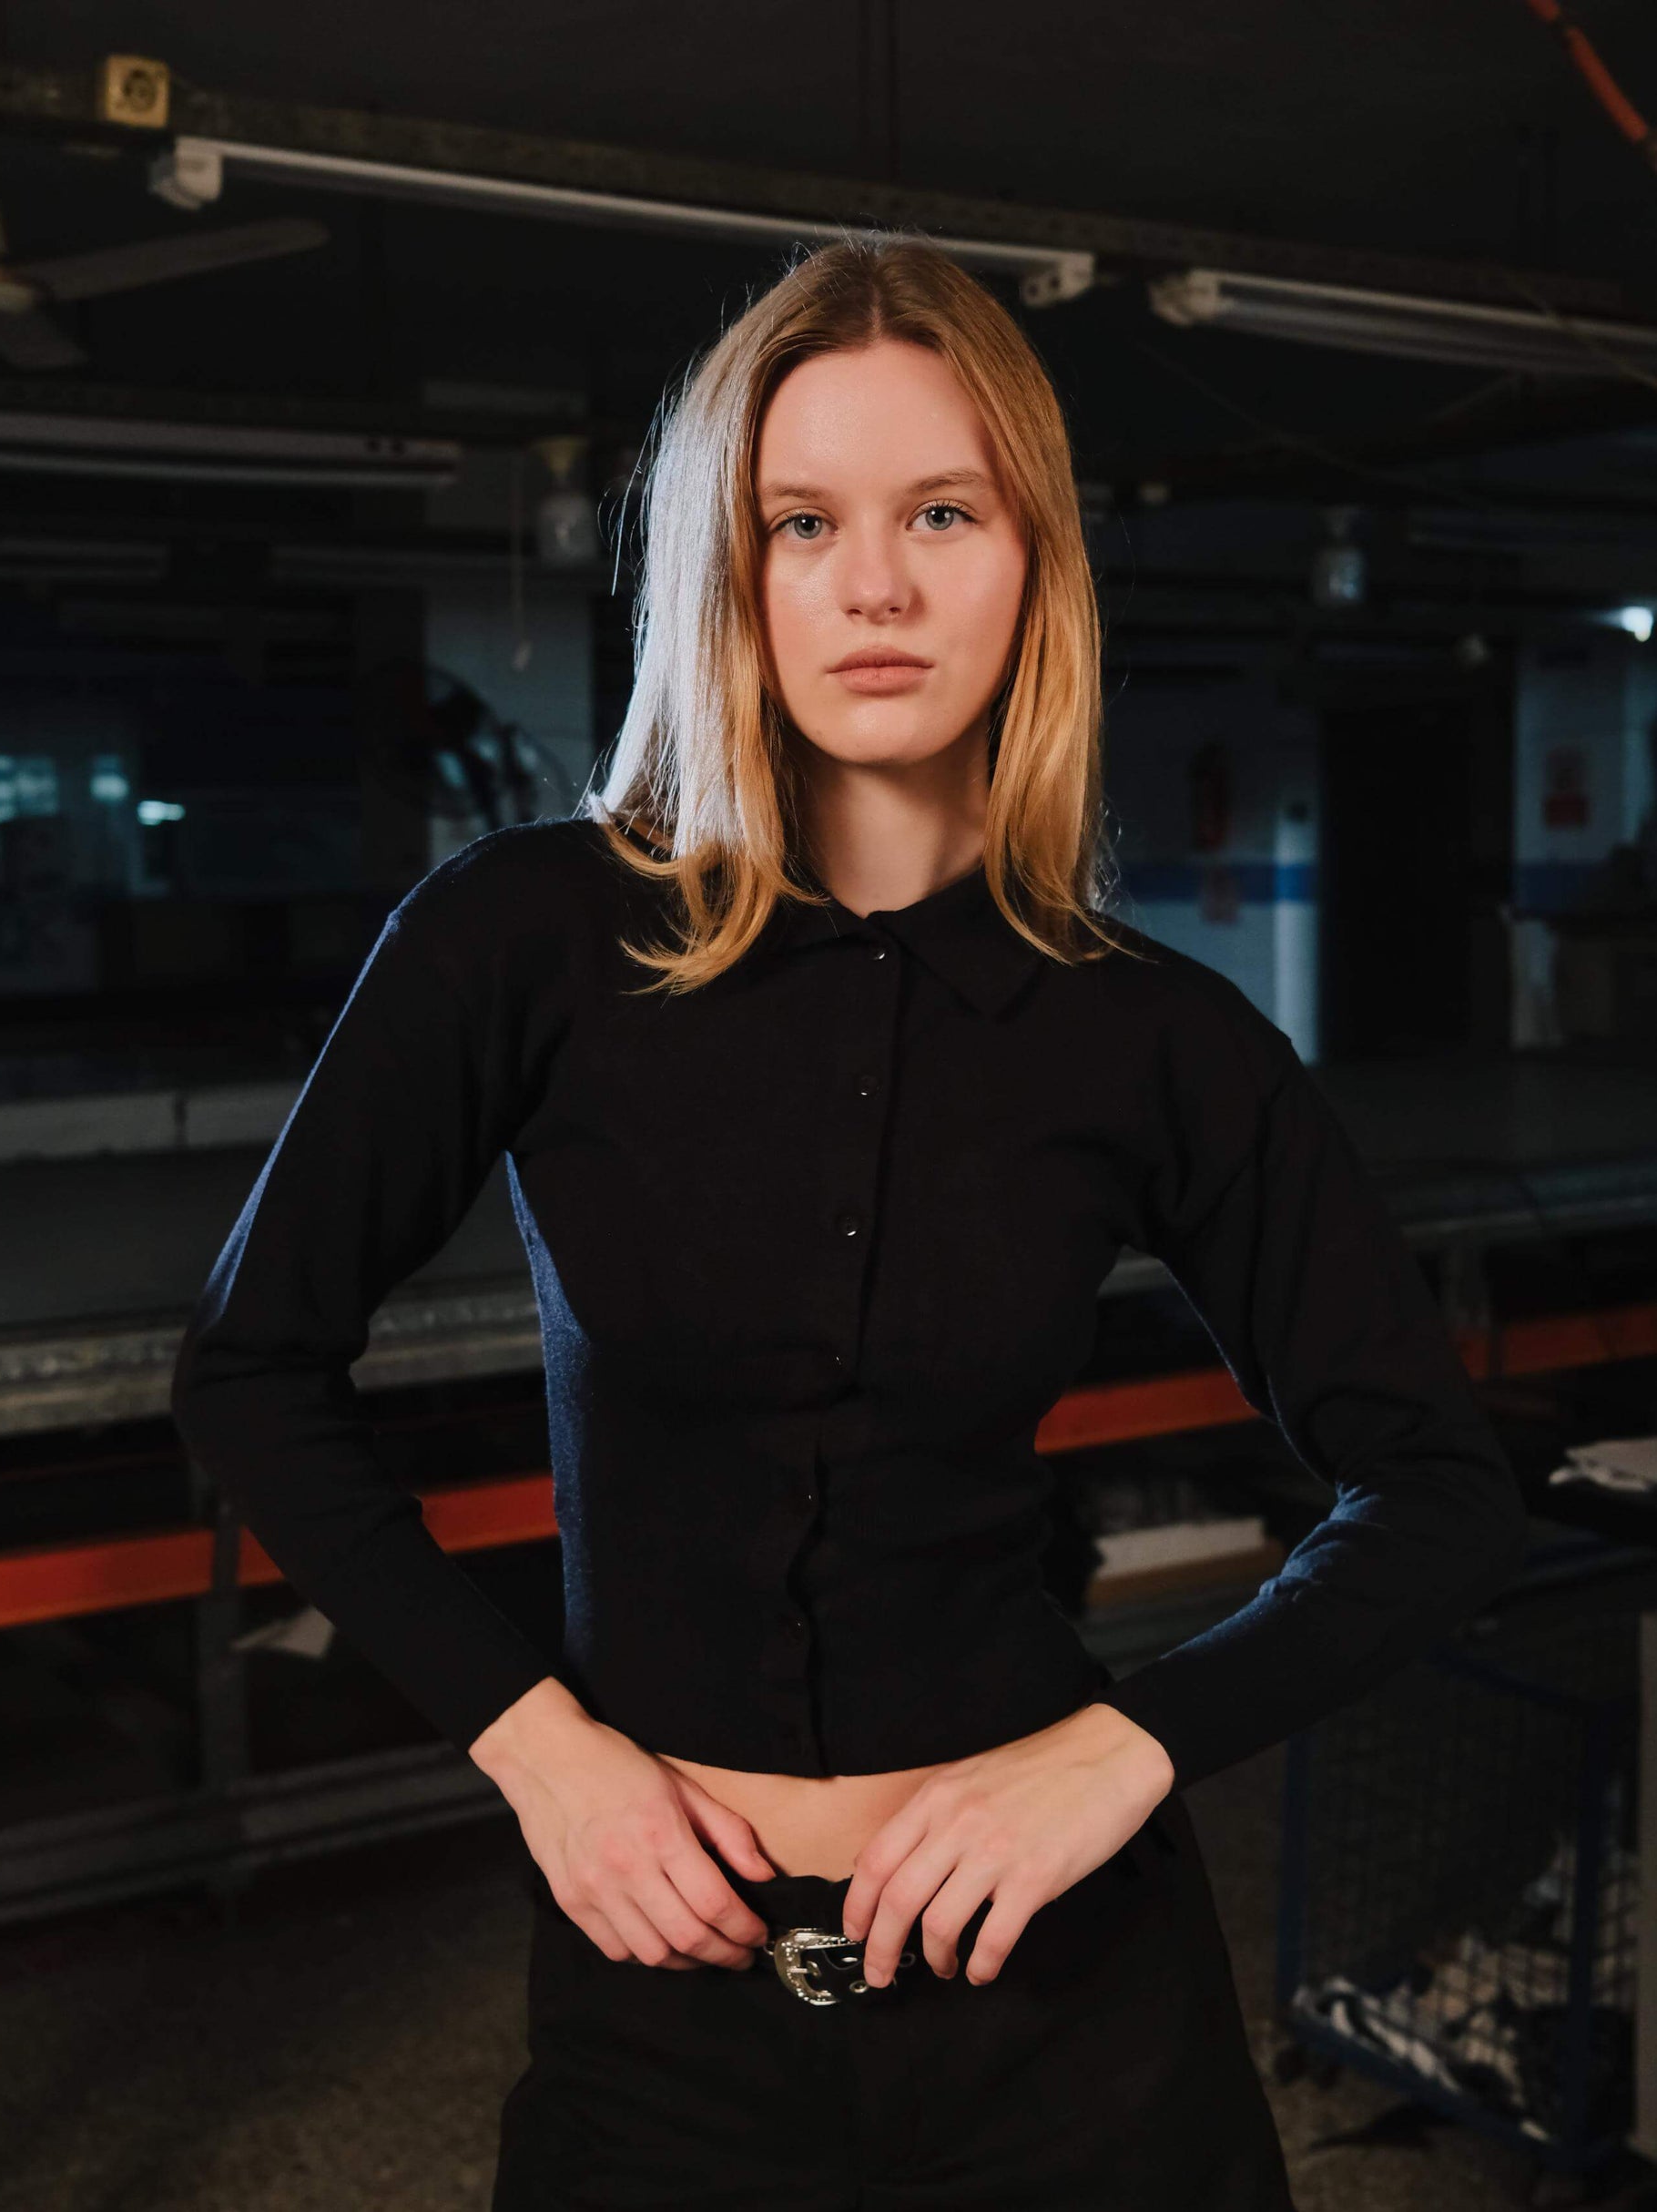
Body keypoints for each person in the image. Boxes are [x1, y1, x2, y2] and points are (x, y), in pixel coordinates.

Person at [169, 232, 1530, 2208]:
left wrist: (1124, 1750)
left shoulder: (1157, 1037)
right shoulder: (523, 939)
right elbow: (252, 1369)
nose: (872, 583)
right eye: (802, 521)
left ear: (1034, 559)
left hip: (1067, 2001)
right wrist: (539, 1747)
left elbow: (1438, 1486)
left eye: (941, 513)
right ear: (728, 570)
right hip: (664, 1989)